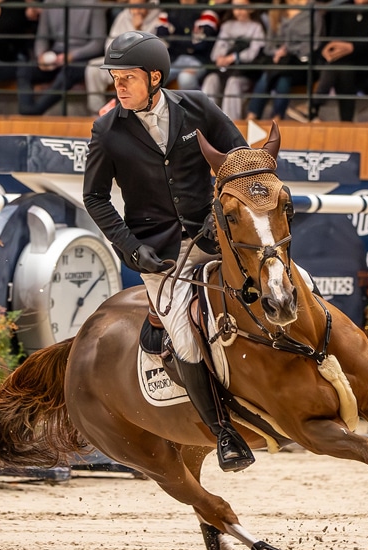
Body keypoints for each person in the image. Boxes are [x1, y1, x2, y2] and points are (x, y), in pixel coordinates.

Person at [82, 31, 255, 472]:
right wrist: (131, 249)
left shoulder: (198, 107)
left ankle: (337, 349)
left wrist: (227, 213)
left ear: (155, 77)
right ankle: (225, 433)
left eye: (127, 78)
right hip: (159, 254)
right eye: (115, 78)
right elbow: (96, 198)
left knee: (277, 272)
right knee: (183, 334)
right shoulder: (106, 130)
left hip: (215, 236)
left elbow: (240, 158)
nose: (118, 87)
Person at [200, 0, 266, 119]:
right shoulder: (227, 25)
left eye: (242, 7)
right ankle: (207, 122)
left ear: (251, 8)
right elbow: (219, 47)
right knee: (211, 80)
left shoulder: (257, 27)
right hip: (224, 68)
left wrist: (233, 57)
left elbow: (254, 52)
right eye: (235, 7)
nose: (238, 11)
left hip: (243, 70)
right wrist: (220, 57)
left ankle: (230, 123)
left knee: (233, 83)